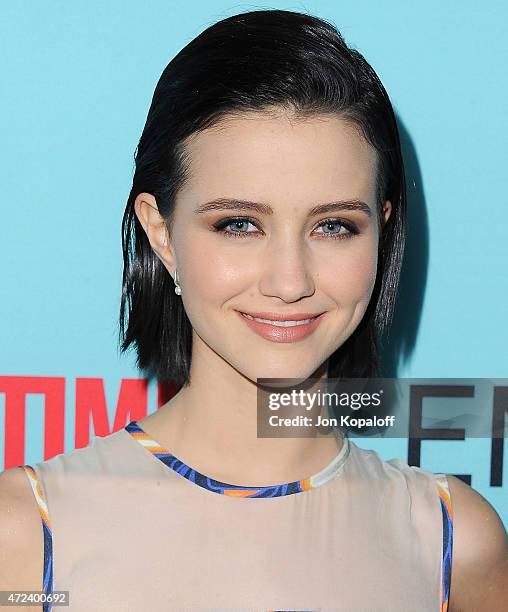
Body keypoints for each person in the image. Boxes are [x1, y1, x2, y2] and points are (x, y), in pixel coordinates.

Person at [1, 8, 507, 612]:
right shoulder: (28, 536)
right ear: (160, 233)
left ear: (382, 230)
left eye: (335, 226)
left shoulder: (452, 543)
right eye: (239, 224)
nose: (289, 281)